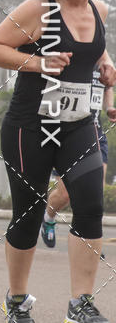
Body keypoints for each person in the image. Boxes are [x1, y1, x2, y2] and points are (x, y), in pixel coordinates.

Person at [0, 0, 116, 323]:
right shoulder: (39, 8)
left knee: (90, 202)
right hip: (30, 126)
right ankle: (18, 300)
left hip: (78, 123)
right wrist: (39, 62)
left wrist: (109, 70)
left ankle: (81, 303)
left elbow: (98, 55)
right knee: (28, 216)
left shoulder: (100, 11)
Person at [41, 71, 116, 248]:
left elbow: (107, 88)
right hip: (68, 133)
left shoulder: (102, 60)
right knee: (65, 194)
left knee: (94, 195)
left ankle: (87, 242)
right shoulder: (73, 55)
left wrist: (109, 108)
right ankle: (48, 219)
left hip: (96, 134)